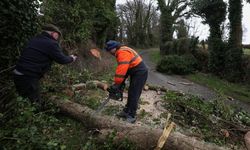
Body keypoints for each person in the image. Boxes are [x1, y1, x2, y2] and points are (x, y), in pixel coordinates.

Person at [13, 24, 77, 107]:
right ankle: (32, 118)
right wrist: (72, 58)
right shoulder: (51, 43)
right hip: (28, 77)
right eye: (57, 36)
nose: (57, 39)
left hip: (18, 74)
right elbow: (62, 60)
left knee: (23, 100)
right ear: (53, 34)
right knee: (34, 105)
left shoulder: (35, 39)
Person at [105, 40, 148, 123]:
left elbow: (122, 69)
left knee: (134, 93)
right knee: (131, 92)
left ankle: (132, 115)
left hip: (140, 72)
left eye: (110, 50)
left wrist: (117, 83)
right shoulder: (122, 50)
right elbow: (125, 68)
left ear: (114, 48)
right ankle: (126, 111)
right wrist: (120, 83)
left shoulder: (122, 52)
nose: (110, 52)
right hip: (135, 71)